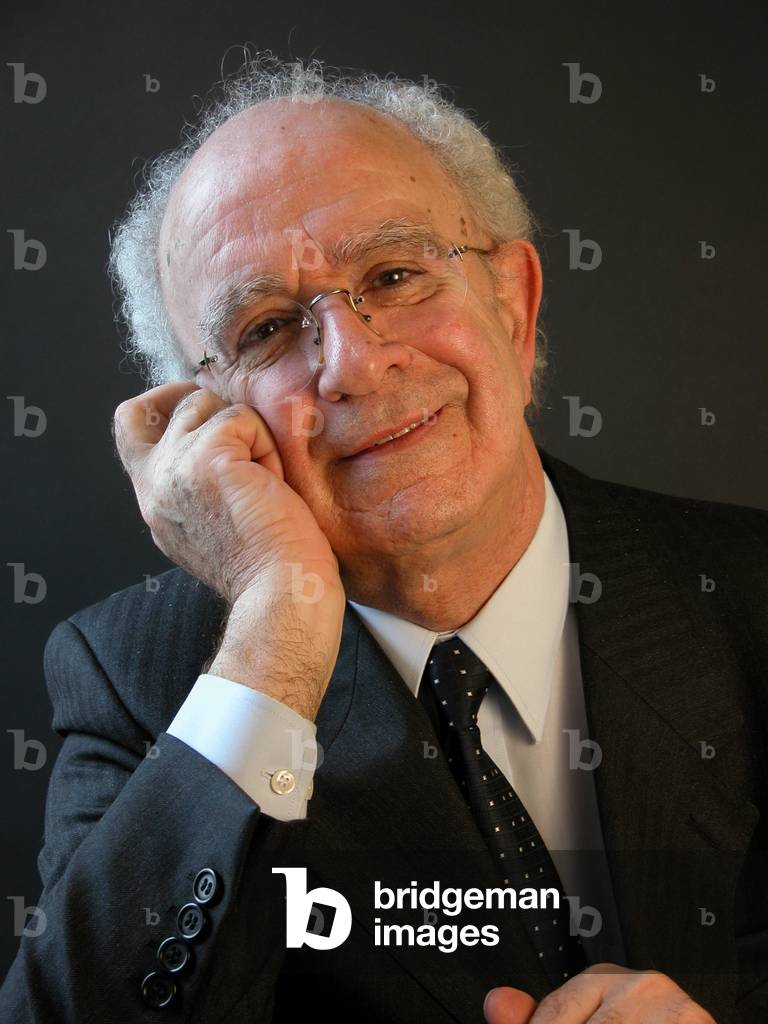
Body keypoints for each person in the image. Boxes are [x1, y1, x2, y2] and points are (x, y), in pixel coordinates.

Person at [2, 52, 766, 1023]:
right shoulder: (138, 686)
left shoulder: (747, 596)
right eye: (269, 329)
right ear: (208, 426)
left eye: (396, 273)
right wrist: (280, 626)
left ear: (517, 310)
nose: (353, 364)